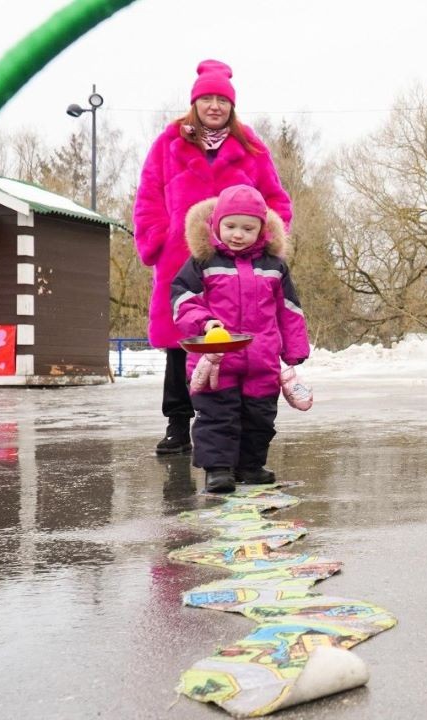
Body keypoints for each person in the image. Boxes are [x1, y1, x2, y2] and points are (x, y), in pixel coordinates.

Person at [134, 59, 292, 455]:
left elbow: (275, 199)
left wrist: (267, 242)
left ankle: (230, 424)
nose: (215, 106)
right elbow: (148, 194)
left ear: (232, 106)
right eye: (207, 98)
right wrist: (156, 236)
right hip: (179, 254)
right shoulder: (168, 143)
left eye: (222, 99)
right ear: (195, 102)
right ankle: (177, 424)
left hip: (239, 260)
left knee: (232, 341)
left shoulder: (251, 147)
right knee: (181, 340)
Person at [171, 184, 310, 493]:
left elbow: (288, 308)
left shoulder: (274, 267)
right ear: (216, 224)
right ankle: (218, 469)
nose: (238, 234)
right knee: (217, 415)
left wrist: (295, 349)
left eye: (248, 228)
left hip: (262, 359)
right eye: (230, 226)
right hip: (216, 357)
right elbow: (184, 300)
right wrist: (204, 323)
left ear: (262, 229)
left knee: (260, 416)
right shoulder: (203, 263)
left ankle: (250, 465)